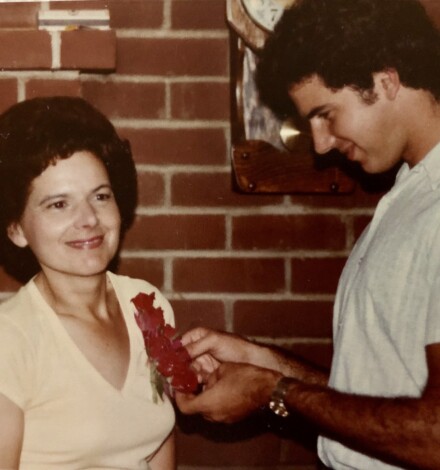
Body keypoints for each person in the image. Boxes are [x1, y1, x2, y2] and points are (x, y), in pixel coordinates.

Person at [175, 0, 440, 468]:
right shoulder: (411, 194)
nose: (319, 144)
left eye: (326, 114)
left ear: (386, 80)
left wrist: (274, 391)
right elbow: (380, 395)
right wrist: (262, 364)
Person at [0, 96, 175, 469]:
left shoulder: (147, 303)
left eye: (100, 196)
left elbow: (159, 443)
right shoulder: (10, 338)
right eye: (58, 204)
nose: (89, 219)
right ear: (16, 230)